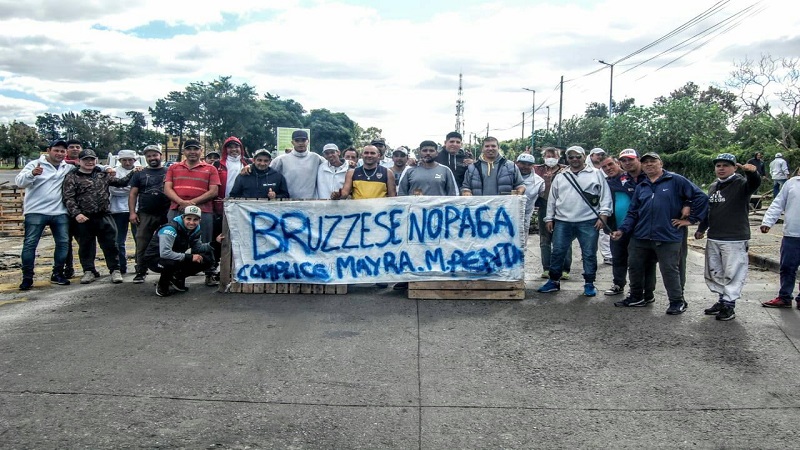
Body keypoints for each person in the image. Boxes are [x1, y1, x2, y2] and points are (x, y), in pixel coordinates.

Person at [611, 152, 708, 314]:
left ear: (660, 163)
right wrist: (622, 230)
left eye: (652, 161)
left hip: (668, 235)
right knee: (634, 266)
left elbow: (701, 197)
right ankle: (637, 296)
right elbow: (633, 213)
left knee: (670, 270)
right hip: (641, 235)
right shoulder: (642, 186)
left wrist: (691, 219)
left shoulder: (676, 180)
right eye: (645, 162)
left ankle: (677, 301)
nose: (649, 164)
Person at [537, 146, 612, 297]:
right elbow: (552, 198)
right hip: (563, 221)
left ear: (584, 157)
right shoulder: (561, 176)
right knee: (558, 252)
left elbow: (605, 196)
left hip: (588, 221)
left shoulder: (596, 174)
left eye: (578, 156)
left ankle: (589, 283)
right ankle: (554, 281)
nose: (574, 160)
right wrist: (549, 217)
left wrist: (603, 215)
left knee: (589, 254)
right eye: (571, 157)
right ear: (567, 159)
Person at [695, 154, 761, 321]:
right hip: (715, 236)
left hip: (735, 238)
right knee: (715, 272)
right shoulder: (713, 186)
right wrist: (702, 228)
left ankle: (729, 305)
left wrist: (752, 173)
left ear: (734, 167)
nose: (721, 168)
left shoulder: (741, 184)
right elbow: (709, 210)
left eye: (726, 165)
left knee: (733, 272)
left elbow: (754, 183)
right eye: (718, 166)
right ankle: (722, 300)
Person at [62, 149, 135, 284]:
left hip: (104, 216)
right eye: (86, 160)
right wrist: (77, 214)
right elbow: (68, 197)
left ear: (96, 160)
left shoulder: (102, 175)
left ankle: (115, 270)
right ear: (79, 161)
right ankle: (89, 271)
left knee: (111, 245)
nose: (89, 162)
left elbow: (121, 182)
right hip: (84, 218)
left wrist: (133, 172)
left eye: (92, 159)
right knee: (86, 246)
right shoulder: (72, 177)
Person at [15, 140, 74, 289]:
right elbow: (20, 182)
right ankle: (27, 277)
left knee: (63, 243)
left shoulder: (67, 167)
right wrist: (32, 174)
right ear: (48, 150)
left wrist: (107, 168)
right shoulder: (35, 164)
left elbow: (89, 166)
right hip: (36, 211)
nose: (59, 154)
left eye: (62, 151)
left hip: (59, 211)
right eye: (56, 150)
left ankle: (57, 273)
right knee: (30, 244)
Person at [163, 138, 221, 286]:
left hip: (203, 210)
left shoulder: (210, 169)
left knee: (205, 243)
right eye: (189, 149)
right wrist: (182, 202)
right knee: (173, 243)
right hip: (177, 209)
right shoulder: (173, 168)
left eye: (195, 149)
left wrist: (192, 203)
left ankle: (210, 273)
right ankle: (172, 275)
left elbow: (214, 191)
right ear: (184, 152)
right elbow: (167, 189)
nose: (192, 152)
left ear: (201, 151)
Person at [143, 205, 216, 297]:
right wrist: (189, 257)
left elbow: (197, 248)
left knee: (207, 259)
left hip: (174, 257)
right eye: (188, 219)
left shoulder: (195, 229)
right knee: (171, 263)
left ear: (199, 221)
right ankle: (162, 285)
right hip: (155, 259)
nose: (191, 222)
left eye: (195, 220)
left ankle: (175, 278)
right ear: (183, 218)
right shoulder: (169, 229)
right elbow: (165, 253)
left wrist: (215, 243)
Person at [129, 145, 170, 284]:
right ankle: (140, 271)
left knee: (168, 242)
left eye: (155, 155)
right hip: (145, 213)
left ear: (161, 156)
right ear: (145, 158)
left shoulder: (169, 171)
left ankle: (168, 271)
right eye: (149, 156)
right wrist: (132, 212)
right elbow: (133, 194)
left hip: (166, 213)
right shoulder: (139, 173)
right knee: (142, 242)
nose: (152, 158)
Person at [760, 170, 800, 309]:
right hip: (792, 234)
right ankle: (784, 297)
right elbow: (778, 204)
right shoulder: (791, 184)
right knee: (787, 267)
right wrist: (767, 222)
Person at [534, 147, 572, 280]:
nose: (550, 158)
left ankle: (565, 269)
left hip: (563, 206)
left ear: (558, 156)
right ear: (544, 157)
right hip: (544, 205)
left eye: (553, 155)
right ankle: (547, 268)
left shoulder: (566, 170)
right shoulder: (537, 170)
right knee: (545, 239)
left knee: (564, 238)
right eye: (547, 155)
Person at [269, 130, 326, 199]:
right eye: (297, 141)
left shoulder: (316, 158)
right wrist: (252, 168)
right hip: (288, 202)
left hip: (311, 203)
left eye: (303, 140)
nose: (300, 143)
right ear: (292, 142)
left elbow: (332, 167)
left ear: (308, 141)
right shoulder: (281, 160)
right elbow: (267, 172)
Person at [461, 136, 525, 196]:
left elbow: (520, 184)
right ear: (482, 149)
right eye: (487, 146)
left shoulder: (511, 166)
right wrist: (466, 192)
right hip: (480, 207)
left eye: (493, 146)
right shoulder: (472, 168)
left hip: (504, 207)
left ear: (498, 148)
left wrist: (520, 191)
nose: (490, 148)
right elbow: (466, 187)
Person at [109, 150, 139, 275]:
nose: (127, 162)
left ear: (134, 160)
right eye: (124, 160)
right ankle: (121, 266)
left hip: (137, 209)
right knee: (118, 240)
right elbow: (113, 189)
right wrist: (133, 190)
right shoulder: (114, 171)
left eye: (130, 160)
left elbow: (140, 189)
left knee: (139, 239)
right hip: (118, 210)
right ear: (120, 161)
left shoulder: (139, 171)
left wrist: (125, 187)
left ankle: (140, 265)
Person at [515, 153, 545, 237]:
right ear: (517, 163)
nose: (525, 166)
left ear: (533, 166)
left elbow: (545, 197)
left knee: (521, 242)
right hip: (505, 214)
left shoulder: (539, 181)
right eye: (523, 163)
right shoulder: (507, 176)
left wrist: (548, 182)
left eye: (529, 164)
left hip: (524, 217)